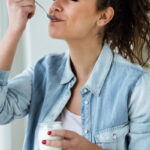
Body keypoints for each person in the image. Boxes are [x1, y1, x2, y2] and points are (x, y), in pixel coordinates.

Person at [0, 0, 150, 149]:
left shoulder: (137, 86)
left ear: (103, 16)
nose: (55, 6)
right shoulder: (42, 72)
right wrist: (14, 28)